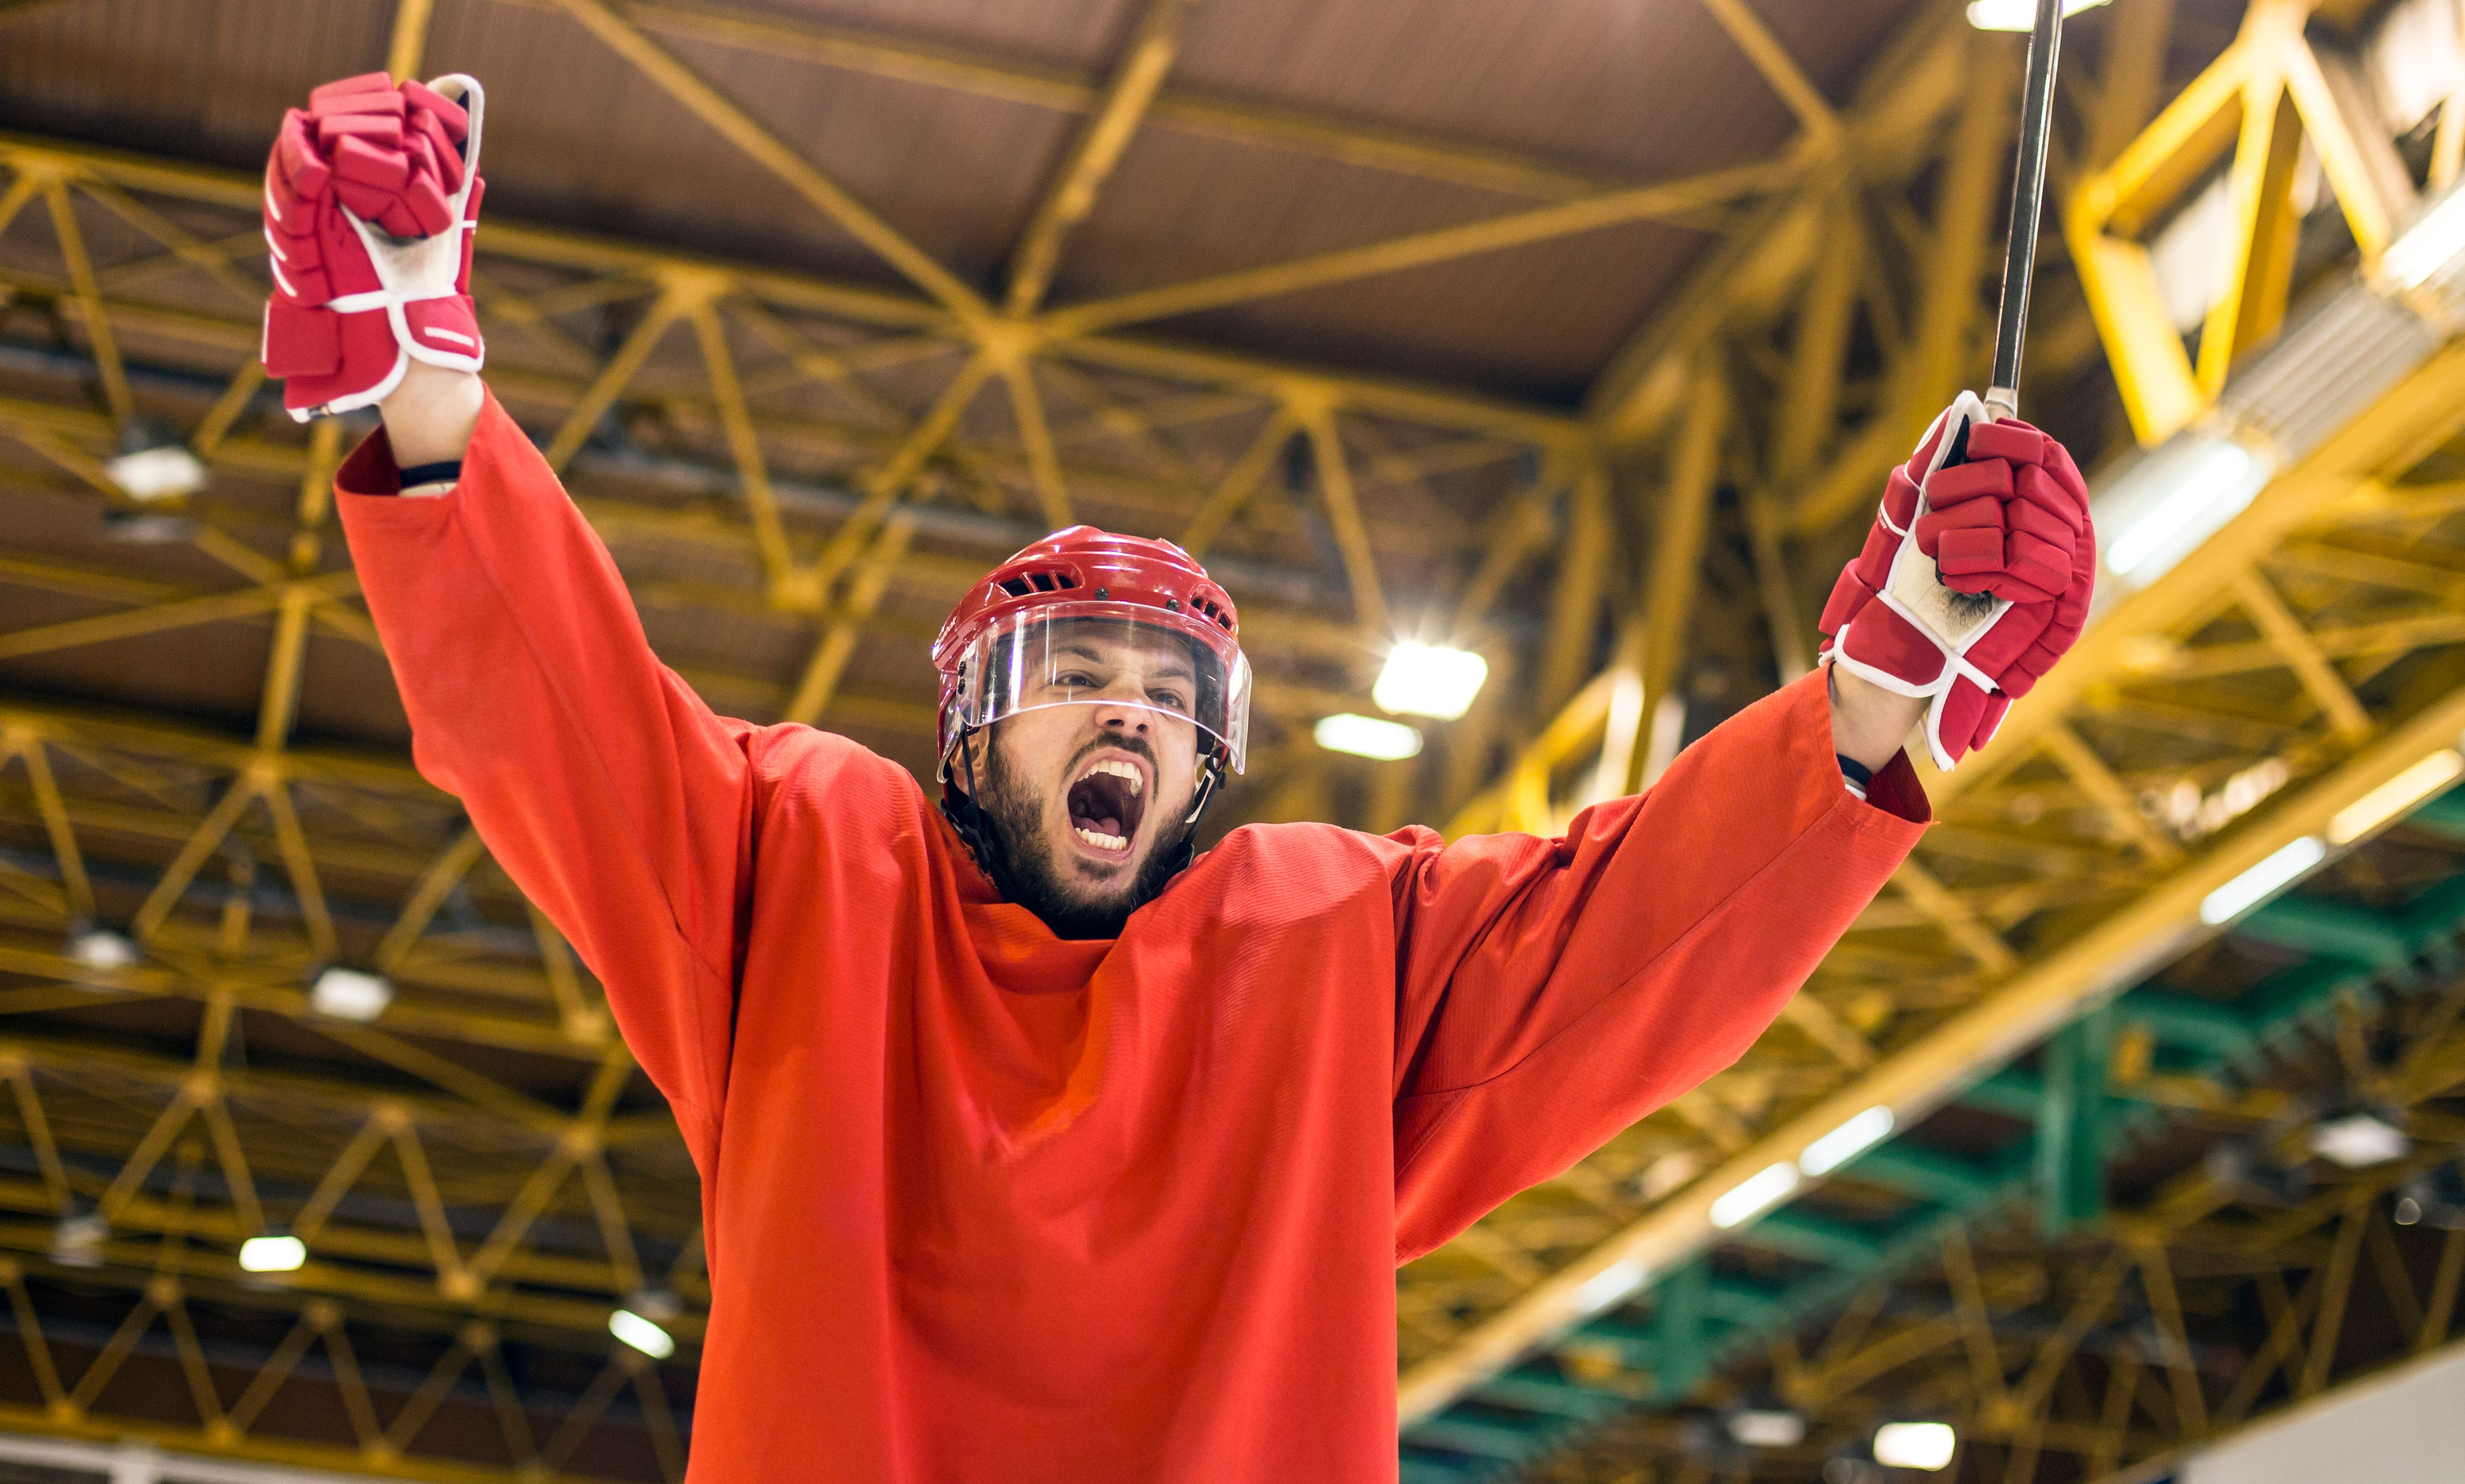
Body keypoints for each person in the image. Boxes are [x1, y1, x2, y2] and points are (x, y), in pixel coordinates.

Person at [269, 74, 2093, 1481]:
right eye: (1073, 675)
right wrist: (426, 373)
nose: (1126, 715)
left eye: (1168, 690)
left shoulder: (1335, 946)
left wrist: (1884, 684)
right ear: (971, 730)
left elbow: (1624, 941)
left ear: (1211, 755)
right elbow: (560, 717)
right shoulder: (804, 867)